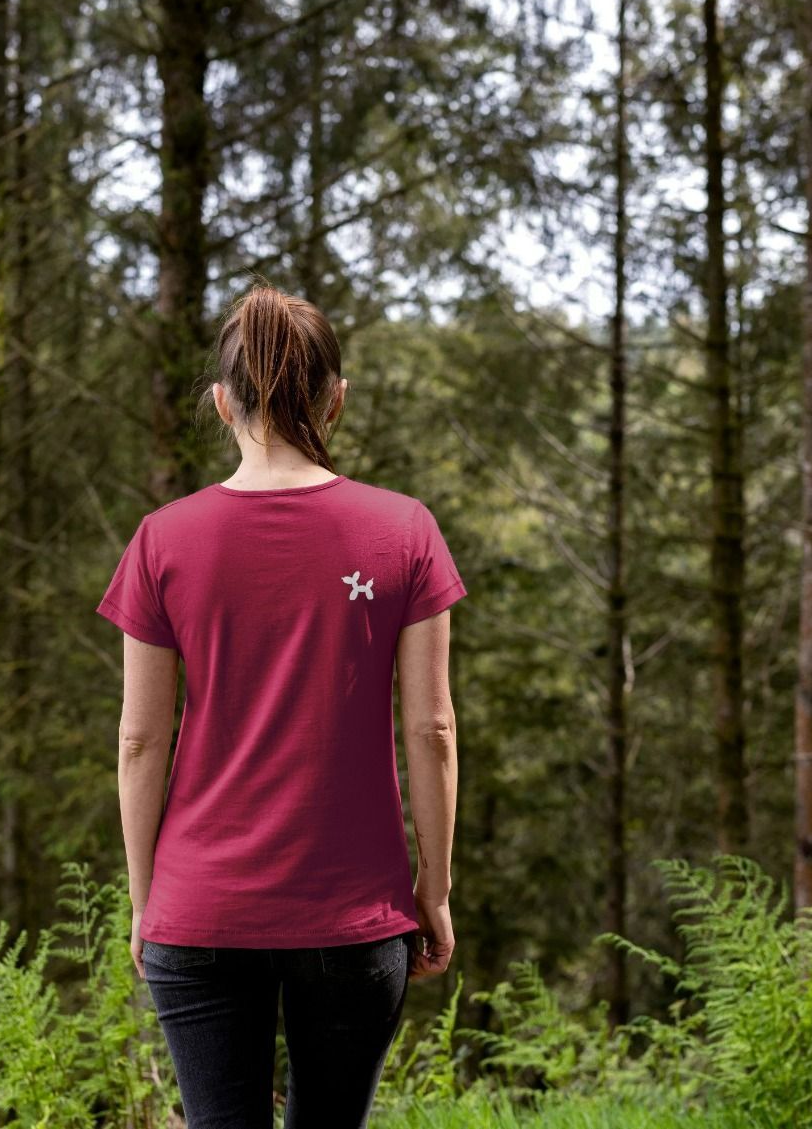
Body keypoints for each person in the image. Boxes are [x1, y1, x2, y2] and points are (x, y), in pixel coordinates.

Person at [95, 279, 466, 1129]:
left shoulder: (164, 538)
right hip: (354, 913)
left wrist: (147, 899)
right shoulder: (403, 530)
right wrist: (434, 889)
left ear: (223, 402)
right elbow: (433, 728)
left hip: (199, 908)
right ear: (336, 399)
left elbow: (141, 739)